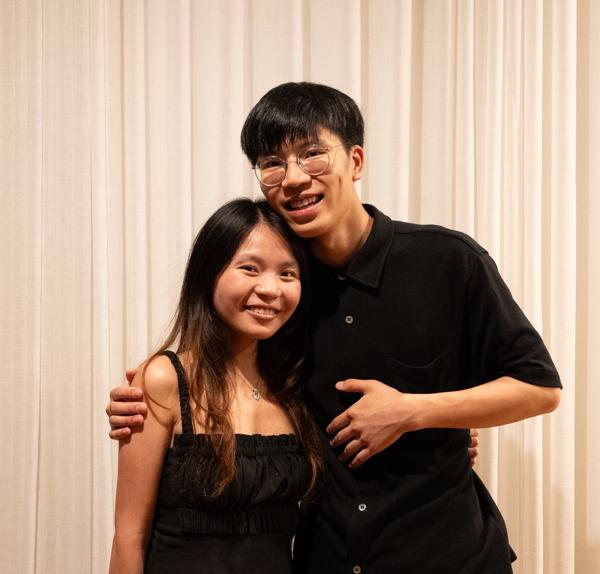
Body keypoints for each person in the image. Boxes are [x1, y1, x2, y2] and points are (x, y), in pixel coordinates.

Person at [107, 82, 561, 573]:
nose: (293, 177)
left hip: (447, 556)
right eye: (272, 163)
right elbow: (231, 382)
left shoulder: (447, 261)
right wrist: (150, 401)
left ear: (356, 161)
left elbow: (539, 389)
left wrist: (415, 412)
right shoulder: (283, 294)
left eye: (312, 154)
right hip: (327, 560)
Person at [108, 198, 323, 573]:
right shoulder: (165, 379)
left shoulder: (296, 386)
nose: (270, 288)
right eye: (250, 268)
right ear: (209, 273)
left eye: (287, 274)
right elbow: (129, 538)